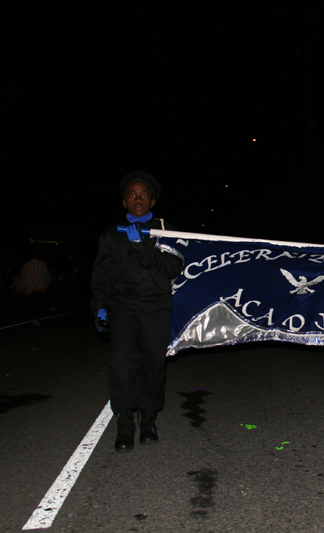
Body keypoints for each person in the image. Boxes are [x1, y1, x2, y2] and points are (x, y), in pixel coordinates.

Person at [91, 171, 184, 453]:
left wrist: (143, 246)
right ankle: (124, 423)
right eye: (132, 195)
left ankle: (148, 420)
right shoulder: (111, 235)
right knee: (121, 362)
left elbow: (173, 268)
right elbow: (102, 276)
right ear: (124, 201)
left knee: (153, 364)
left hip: (156, 306)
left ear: (152, 201)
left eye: (144, 195)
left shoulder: (166, 231)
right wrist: (100, 306)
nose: (138, 199)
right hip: (123, 306)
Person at [15, 251, 52, 326]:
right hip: (41, 286)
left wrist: (22, 287)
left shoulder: (27, 265)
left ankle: (34, 317)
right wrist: (47, 283)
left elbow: (24, 277)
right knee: (39, 302)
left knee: (33, 302)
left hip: (31, 287)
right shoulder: (42, 263)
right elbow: (46, 275)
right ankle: (37, 317)